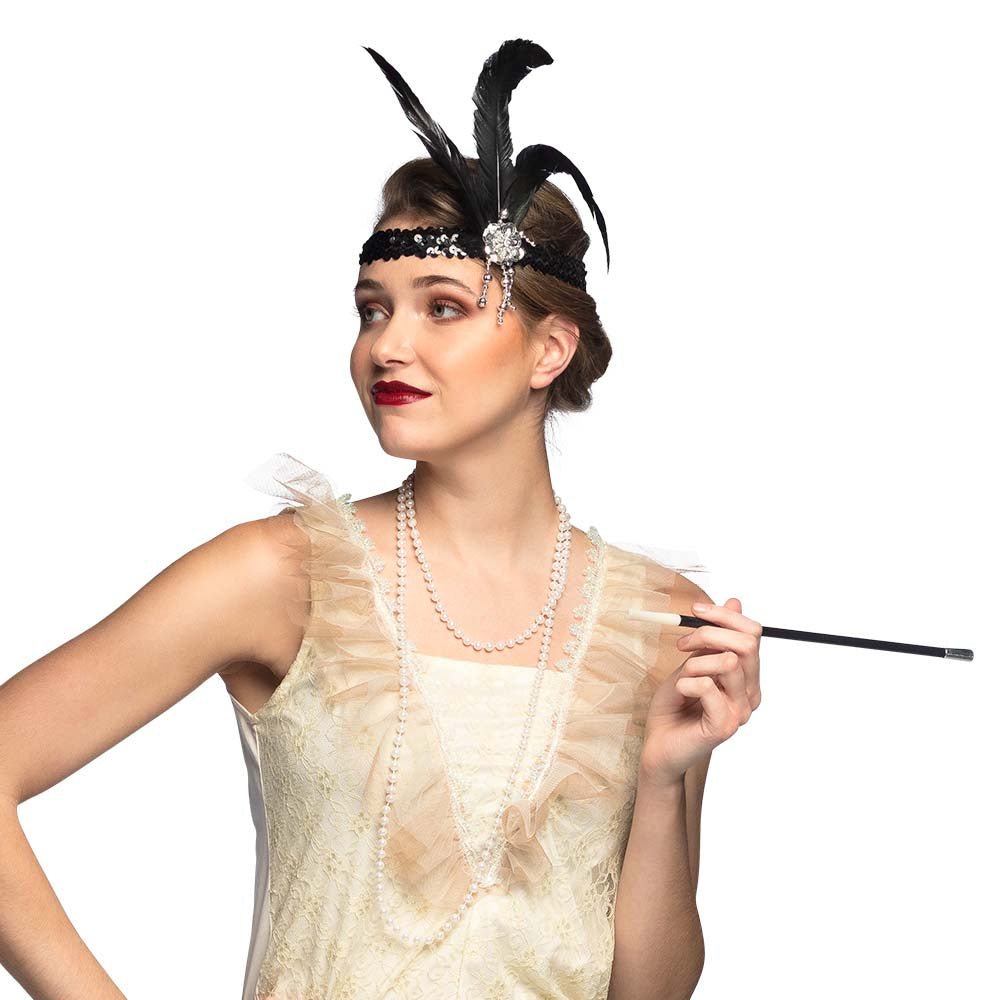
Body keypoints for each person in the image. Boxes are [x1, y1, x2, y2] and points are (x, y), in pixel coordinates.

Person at [0, 40, 763, 1000]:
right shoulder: (281, 576)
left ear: (549, 350)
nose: (386, 347)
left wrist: (662, 781)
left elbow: (650, 992)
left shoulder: (661, 625)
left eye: (441, 308)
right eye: (372, 310)